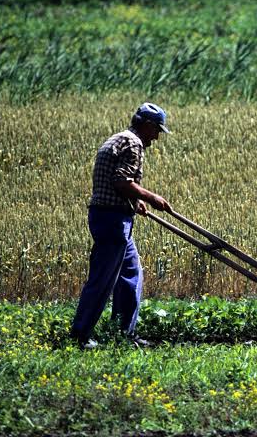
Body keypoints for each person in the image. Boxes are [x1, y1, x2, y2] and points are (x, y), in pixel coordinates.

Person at [70, 102, 173, 349]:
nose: (157, 137)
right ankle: (80, 335)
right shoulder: (134, 144)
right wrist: (152, 197)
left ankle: (123, 333)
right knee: (103, 279)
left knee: (130, 274)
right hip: (113, 220)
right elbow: (121, 181)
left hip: (110, 215)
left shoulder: (117, 139)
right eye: (157, 130)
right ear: (147, 125)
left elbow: (111, 182)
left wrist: (134, 202)